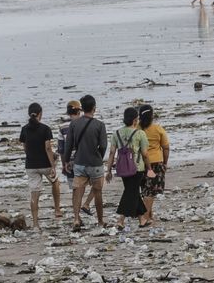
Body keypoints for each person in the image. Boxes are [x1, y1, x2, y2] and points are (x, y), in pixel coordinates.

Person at [65, 94, 108, 229]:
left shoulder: (74, 124)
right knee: (98, 192)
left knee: (78, 190)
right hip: (95, 162)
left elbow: (69, 144)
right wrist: (99, 157)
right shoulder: (99, 125)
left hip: (79, 162)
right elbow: (103, 145)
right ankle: (100, 221)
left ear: (82, 108)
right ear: (94, 108)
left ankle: (76, 219)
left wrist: (66, 161)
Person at [20, 102, 60, 230]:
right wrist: (53, 166)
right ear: (40, 114)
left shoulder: (24, 129)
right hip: (45, 164)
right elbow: (48, 148)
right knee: (55, 182)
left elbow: (25, 148)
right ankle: (57, 209)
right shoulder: (45, 129)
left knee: (34, 194)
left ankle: (35, 223)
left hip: (31, 165)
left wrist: (32, 155)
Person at [107, 106, 148, 232]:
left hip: (122, 168)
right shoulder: (140, 133)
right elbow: (145, 154)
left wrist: (108, 170)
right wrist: (150, 167)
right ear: (136, 120)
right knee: (131, 192)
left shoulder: (116, 133)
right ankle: (121, 220)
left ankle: (142, 219)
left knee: (132, 191)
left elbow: (112, 153)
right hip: (137, 168)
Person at [139, 106, 168, 228]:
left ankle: (149, 215)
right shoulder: (158, 129)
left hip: (140, 163)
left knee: (145, 190)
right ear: (152, 116)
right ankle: (145, 217)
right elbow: (166, 147)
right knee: (150, 192)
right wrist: (165, 163)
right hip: (156, 162)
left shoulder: (136, 129)